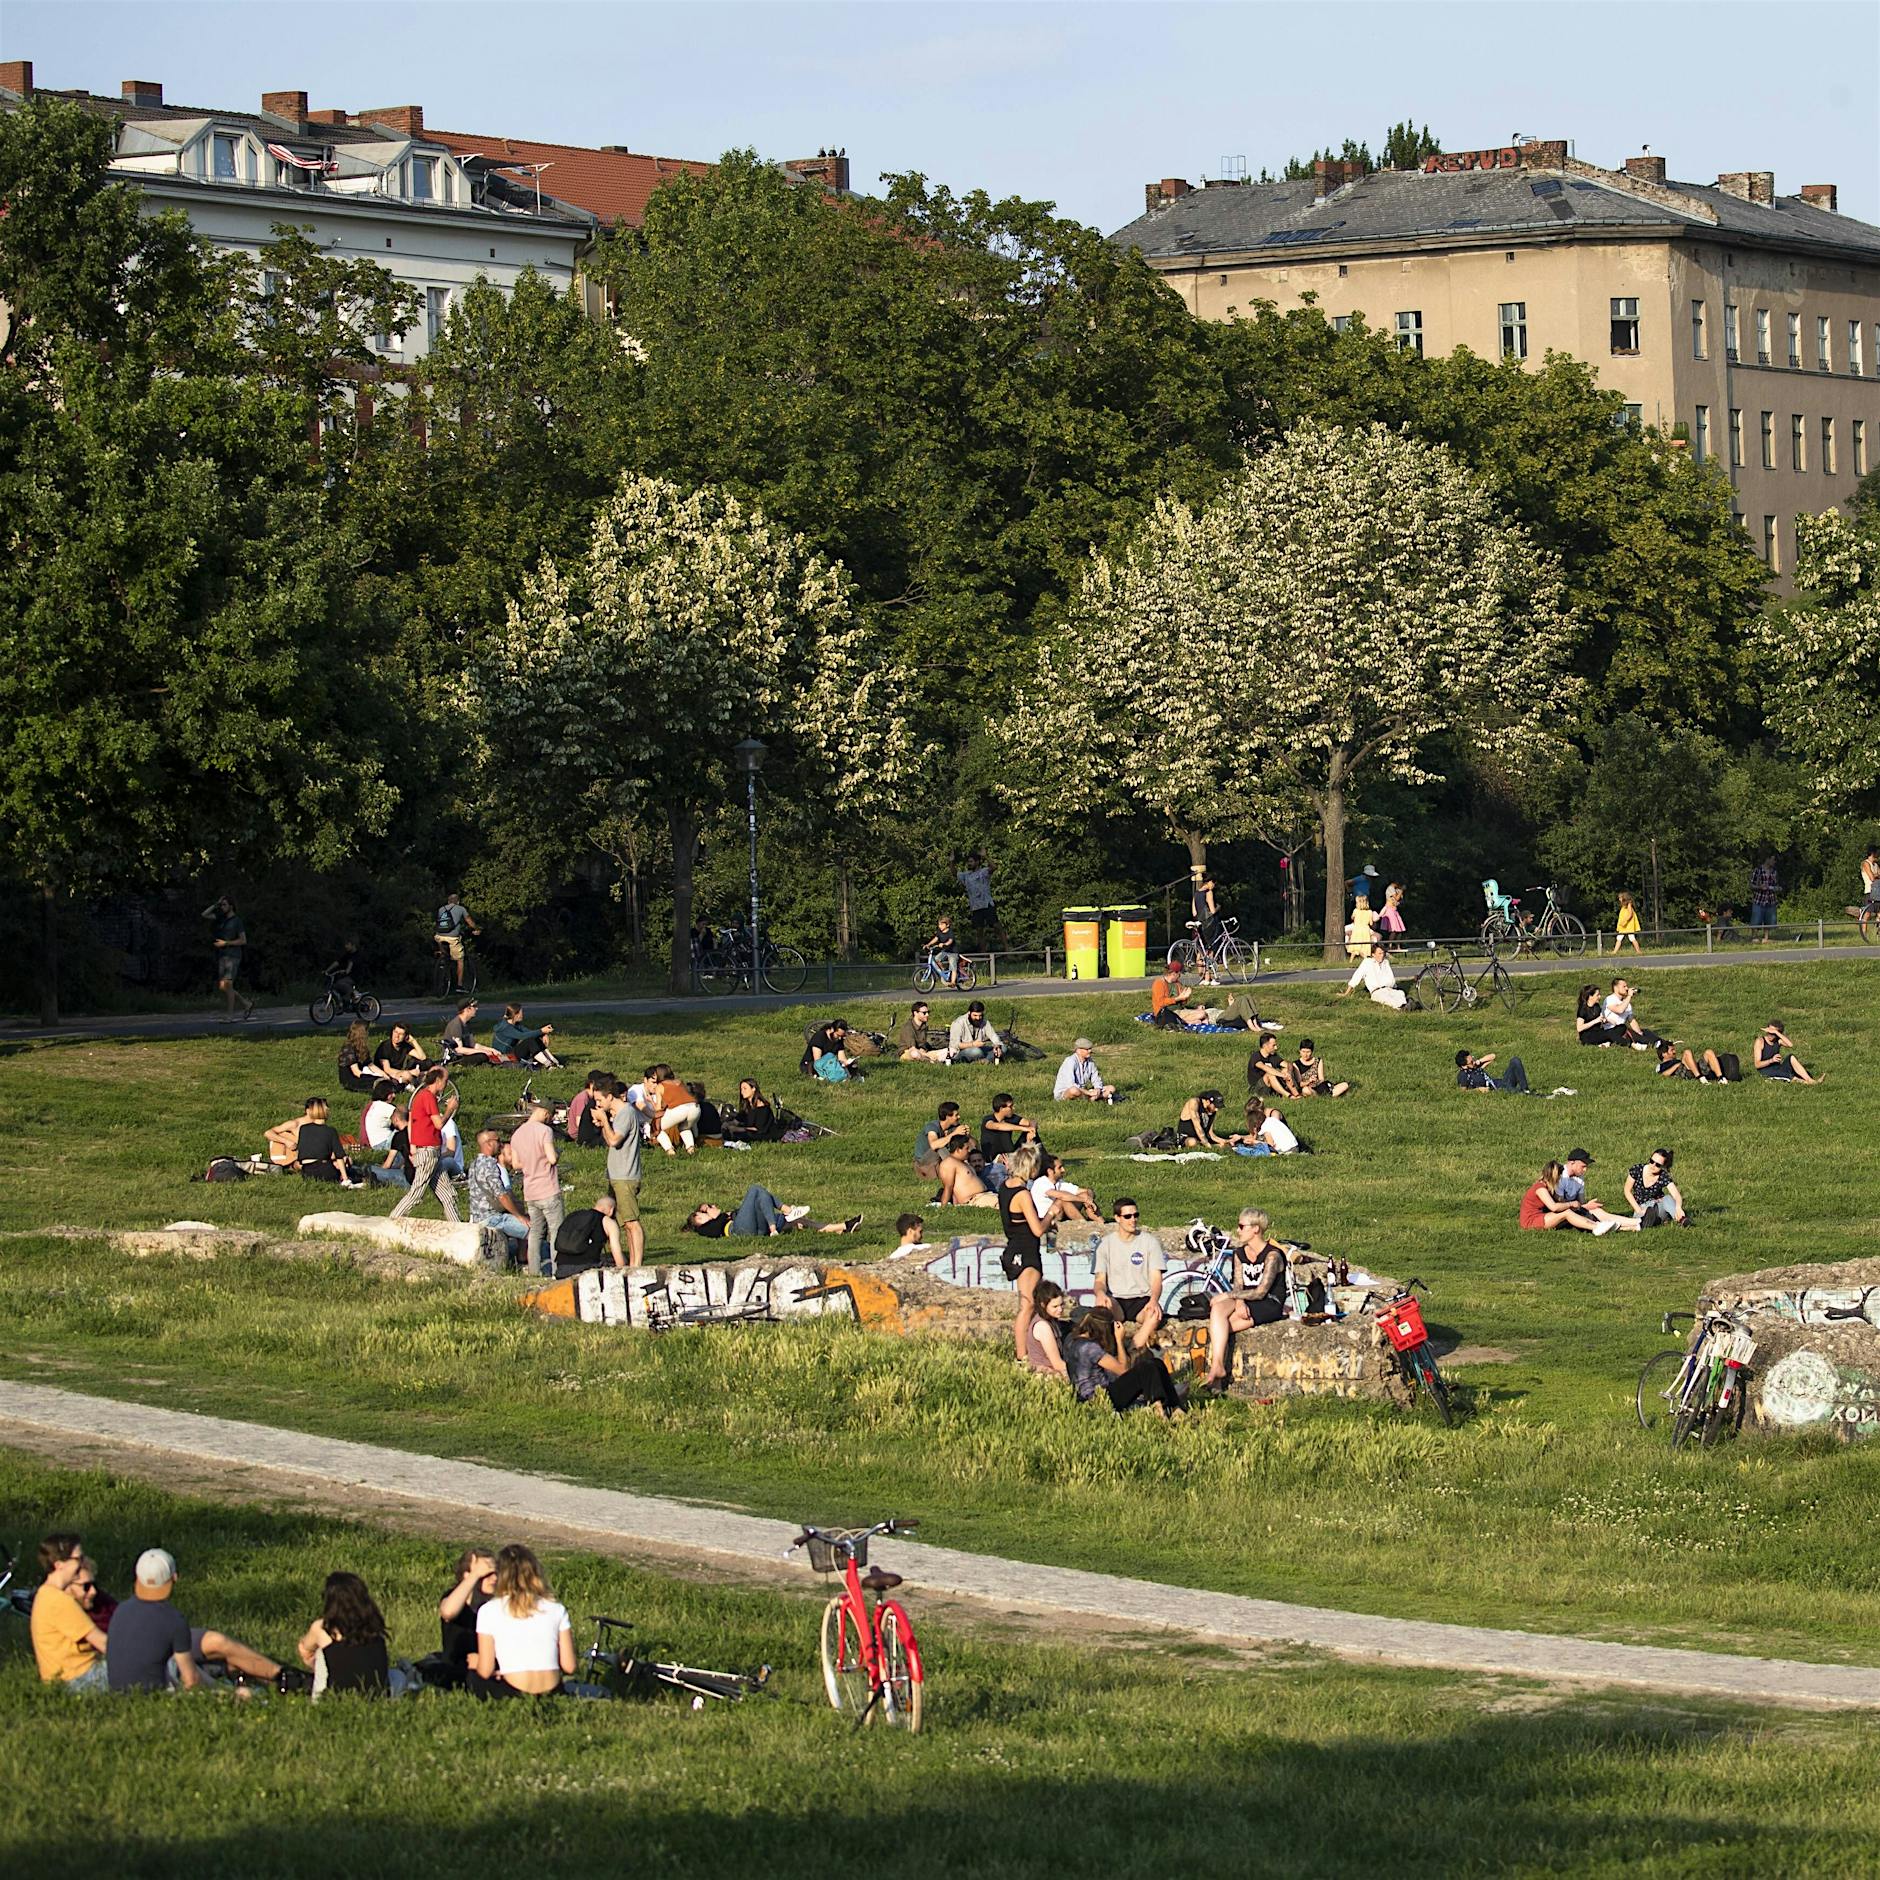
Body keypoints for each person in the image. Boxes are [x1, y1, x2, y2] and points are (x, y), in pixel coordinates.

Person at [107, 1547, 281, 1692]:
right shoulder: (173, 1620)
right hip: (156, 1694)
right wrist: (227, 1695)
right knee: (240, 1691)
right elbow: (191, 1680)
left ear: (138, 1579)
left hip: (118, 1690)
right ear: (174, 1578)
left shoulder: (121, 1610)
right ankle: (281, 1681)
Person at [1201, 1209, 1291, 1392]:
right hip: (1245, 1299)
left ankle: (1216, 1375)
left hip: (1268, 1302)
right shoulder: (1239, 1253)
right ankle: (1218, 1369)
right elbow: (1238, 1286)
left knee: (1222, 1328)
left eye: (1242, 1226)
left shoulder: (1272, 1255)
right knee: (1218, 1310)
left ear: (1256, 1229)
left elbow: (1260, 1292)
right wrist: (1239, 1301)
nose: (1238, 1230)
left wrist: (1230, 1296)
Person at [471, 1543, 574, 1699]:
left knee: (473, 1678)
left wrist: (476, 1664)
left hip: (513, 1691)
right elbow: (569, 1666)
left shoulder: (488, 1610)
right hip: (552, 1691)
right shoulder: (557, 1609)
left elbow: (485, 1670)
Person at [1064, 1308, 1186, 1416]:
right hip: (1099, 1398)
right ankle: (1163, 1407)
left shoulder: (1074, 1342)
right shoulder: (1089, 1348)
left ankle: (1173, 1407)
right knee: (1147, 1367)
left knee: (1156, 1363)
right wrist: (1119, 1340)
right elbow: (1123, 1369)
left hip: (1095, 1395)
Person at [30, 1533, 110, 1693]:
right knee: (157, 1663)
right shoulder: (58, 1601)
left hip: (68, 1678)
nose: (82, 1563)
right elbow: (103, 1643)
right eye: (78, 1559)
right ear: (59, 1564)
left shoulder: (46, 1594)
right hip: (79, 1679)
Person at [296, 1571, 391, 1698]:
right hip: (378, 1695)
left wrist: (315, 1666)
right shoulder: (372, 1627)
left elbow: (304, 1649)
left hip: (332, 1697)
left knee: (321, 1653)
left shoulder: (322, 1629)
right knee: (397, 1674)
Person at [1001, 1143, 1056, 1361]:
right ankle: (1022, 1355)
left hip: (1013, 1247)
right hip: (1026, 1251)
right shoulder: (1023, 1194)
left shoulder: (1006, 1187)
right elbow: (1037, 1229)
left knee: (1027, 1304)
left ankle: (1025, 1352)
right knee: (1027, 1306)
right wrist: (1051, 1213)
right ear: (1031, 1168)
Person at [390, 1064, 462, 1224]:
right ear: (437, 1080)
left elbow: (415, 1124)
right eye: (445, 1080)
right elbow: (438, 1124)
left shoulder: (420, 1097)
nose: (446, 1084)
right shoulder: (428, 1097)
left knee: (448, 1194)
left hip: (431, 1153)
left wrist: (413, 1146)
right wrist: (450, 1109)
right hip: (428, 1152)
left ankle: (457, 1226)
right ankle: (393, 1219)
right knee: (417, 1192)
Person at [1091, 1201, 1165, 1353]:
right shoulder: (1105, 1244)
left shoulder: (1149, 1242)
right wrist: (1100, 1293)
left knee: (1155, 1315)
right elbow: (1099, 1280)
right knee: (1101, 1308)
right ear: (1117, 1218)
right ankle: (1109, 1351)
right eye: (1128, 1216)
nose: (1133, 1220)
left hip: (1142, 1299)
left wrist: (1154, 1300)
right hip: (1117, 1299)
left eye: (1136, 1215)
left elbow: (1156, 1279)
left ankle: (1133, 1349)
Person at [508, 1092, 563, 1276]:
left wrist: (530, 1161)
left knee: (535, 1233)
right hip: (548, 1188)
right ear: (547, 1114)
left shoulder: (517, 1134)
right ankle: (557, 1270)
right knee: (556, 1232)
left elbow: (515, 1164)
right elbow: (552, 1158)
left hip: (530, 1192)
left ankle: (533, 1271)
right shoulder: (544, 1131)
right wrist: (556, 1153)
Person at [596, 1082, 647, 1267]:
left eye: (600, 1100)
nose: (599, 1104)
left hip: (625, 1176)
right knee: (626, 1224)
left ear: (610, 1096)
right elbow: (610, 1138)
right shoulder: (620, 1115)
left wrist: (604, 1120)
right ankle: (633, 1264)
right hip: (618, 1175)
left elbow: (614, 1140)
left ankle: (637, 1265)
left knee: (632, 1223)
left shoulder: (625, 1113)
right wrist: (604, 1123)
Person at [682, 1187, 862, 1236]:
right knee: (755, 1190)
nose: (714, 1206)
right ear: (699, 1217)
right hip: (738, 1231)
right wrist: (717, 1217)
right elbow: (714, 1230)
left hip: (757, 1229)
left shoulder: (725, 1215)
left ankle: (843, 1227)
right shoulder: (706, 1229)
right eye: (708, 1208)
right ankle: (781, 1218)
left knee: (800, 1221)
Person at [468, 1127, 530, 1262]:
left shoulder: (474, 1164)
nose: (501, 1144)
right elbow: (501, 1195)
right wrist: (519, 1216)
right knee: (534, 1230)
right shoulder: (490, 1165)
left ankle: (520, 1256)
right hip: (491, 1218)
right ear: (489, 1143)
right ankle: (530, 1263)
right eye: (498, 1141)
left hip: (476, 1216)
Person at [1520, 1161, 1635, 1233]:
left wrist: (1583, 1206)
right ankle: (1597, 1226)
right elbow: (1554, 1207)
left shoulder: (1548, 1188)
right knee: (1567, 1213)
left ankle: (1627, 1227)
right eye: (1560, 1177)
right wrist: (1571, 1204)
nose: (1561, 1179)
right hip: (1532, 1221)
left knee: (1572, 1215)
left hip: (1542, 1216)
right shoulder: (1540, 1188)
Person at [439, 1547, 497, 1677]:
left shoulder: (495, 1606)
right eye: (486, 1574)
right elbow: (448, 1612)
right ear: (467, 1575)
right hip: (454, 1669)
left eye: (495, 1573)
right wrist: (475, 1574)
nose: (494, 1578)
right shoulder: (453, 1597)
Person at [203, 895, 256, 1021]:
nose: (222, 907)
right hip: (223, 955)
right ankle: (246, 1004)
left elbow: (243, 940)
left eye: (224, 904)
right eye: (221, 905)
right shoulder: (221, 918)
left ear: (231, 906)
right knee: (223, 986)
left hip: (233, 955)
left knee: (228, 984)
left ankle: (230, 1016)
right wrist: (216, 904)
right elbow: (204, 914)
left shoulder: (237, 921)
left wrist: (226, 943)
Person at [296, 1095, 366, 1185]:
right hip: (325, 1170)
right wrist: (345, 1178)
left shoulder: (303, 1128)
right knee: (351, 1168)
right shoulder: (330, 1131)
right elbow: (339, 1156)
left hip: (307, 1172)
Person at [554, 1195, 626, 1271]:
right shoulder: (608, 1222)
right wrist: (625, 1267)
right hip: (586, 1269)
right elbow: (618, 1259)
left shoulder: (574, 1215)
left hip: (561, 1268)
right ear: (611, 1210)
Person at [1624, 1147, 1689, 1227]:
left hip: (1658, 1204)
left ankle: (1681, 1219)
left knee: (1667, 1198)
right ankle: (1651, 1220)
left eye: (1657, 1165)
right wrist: (1638, 1210)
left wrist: (1678, 1207)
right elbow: (1627, 1190)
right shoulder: (1637, 1169)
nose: (1653, 1165)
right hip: (1642, 1207)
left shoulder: (1663, 1176)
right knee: (1646, 1213)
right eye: (1651, 1161)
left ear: (1663, 1166)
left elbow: (1676, 1195)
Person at [979, 1093, 1039, 1177]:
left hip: (1010, 1153)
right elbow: (997, 1126)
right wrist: (1023, 1128)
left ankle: (1037, 1160)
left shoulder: (1011, 1118)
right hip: (993, 1157)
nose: (1013, 1108)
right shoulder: (988, 1119)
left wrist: (1032, 1130)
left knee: (1031, 1133)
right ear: (1001, 1108)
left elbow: (1031, 1122)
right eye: (1010, 1106)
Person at [1031, 1152, 1101, 1223]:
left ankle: (1101, 1222)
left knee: (1084, 1195)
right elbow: (1062, 1196)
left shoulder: (1059, 1183)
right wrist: (1084, 1200)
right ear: (1050, 1171)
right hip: (1046, 1217)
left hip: (1060, 1213)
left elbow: (1087, 1191)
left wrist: (1089, 1199)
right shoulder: (1041, 1182)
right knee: (1063, 1201)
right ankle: (1084, 1224)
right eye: (1060, 1168)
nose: (1063, 1170)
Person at [1023, 1279, 1071, 1378]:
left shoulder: (1052, 1320)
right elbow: (1057, 1363)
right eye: (1055, 1306)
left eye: (1062, 1305)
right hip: (1047, 1374)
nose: (1060, 1310)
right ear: (1043, 1305)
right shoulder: (1043, 1326)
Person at [1339, 940, 1407, 1010]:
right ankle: (1401, 1007)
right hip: (1377, 991)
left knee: (1400, 993)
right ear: (1373, 954)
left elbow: (1391, 978)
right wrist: (1346, 993)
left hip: (1389, 989)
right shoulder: (1367, 963)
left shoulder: (1386, 962)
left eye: (1383, 953)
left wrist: (1394, 988)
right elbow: (1357, 977)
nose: (1382, 955)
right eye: (1379, 953)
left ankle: (1406, 1005)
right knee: (1386, 998)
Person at [935, 1133, 999, 1208]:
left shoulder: (963, 1163)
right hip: (975, 1199)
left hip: (986, 1196)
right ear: (958, 1149)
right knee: (1006, 1203)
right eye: (967, 1148)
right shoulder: (949, 1162)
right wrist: (944, 1207)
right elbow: (948, 1187)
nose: (969, 1151)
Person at [1602, 979, 1665, 1051]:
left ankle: (1660, 1042)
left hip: (1622, 1029)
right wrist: (1629, 996)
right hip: (1612, 1029)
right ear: (1616, 988)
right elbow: (1619, 1010)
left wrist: (1639, 1033)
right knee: (1629, 1032)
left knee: (1646, 1031)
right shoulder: (1610, 999)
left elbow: (1632, 1021)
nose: (1626, 988)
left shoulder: (1627, 1004)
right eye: (1624, 986)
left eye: (1627, 986)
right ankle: (1652, 1043)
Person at [435, 890, 480, 991]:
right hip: (452, 938)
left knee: (445, 954)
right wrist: (476, 928)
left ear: (448, 901)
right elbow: (469, 920)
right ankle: (459, 985)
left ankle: (443, 958)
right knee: (460, 960)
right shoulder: (461, 908)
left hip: (438, 937)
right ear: (458, 902)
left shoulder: (441, 909)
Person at [491, 1004, 560, 1068]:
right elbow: (522, 1036)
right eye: (521, 1013)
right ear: (516, 1014)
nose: (522, 1015)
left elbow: (529, 1032)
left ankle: (554, 1062)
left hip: (512, 1052)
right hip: (504, 1056)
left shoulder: (516, 1024)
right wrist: (541, 1031)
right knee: (530, 1041)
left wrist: (542, 1034)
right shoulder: (506, 1027)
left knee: (534, 1038)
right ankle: (548, 1065)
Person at [649, 1071, 702, 1155]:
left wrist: (651, 1101)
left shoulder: (660, 1086)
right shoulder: (679, 1082)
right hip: (695, 1108)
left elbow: (658, 1109)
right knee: (684, 1127)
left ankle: (670, 1150)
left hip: (679, 1110)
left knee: (657, 1128)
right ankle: (691, 1149)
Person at [440, 998, 504, 1067]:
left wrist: (491, 1050)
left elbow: (473, 1044)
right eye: (474, 1006)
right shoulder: (456, 1025)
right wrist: (483, 1052)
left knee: (486, 1055)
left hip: (465, 1054)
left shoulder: (467, 1023)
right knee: (483, 1056)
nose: (476, 1008)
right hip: (456, 1058)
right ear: (467, 1009)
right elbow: (459, 1049)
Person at [1179, 1089, 1247, 1149]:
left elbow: (1210, 1133)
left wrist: (1225, 1141)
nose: (1216, 1109)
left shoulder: (1212, 1110)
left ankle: (1208, 1146)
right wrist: (1206, 1143)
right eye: (1215, 1106)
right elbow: (1197, 1126)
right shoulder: (1194, 1103)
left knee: (1224, 1144)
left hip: (1202, 1138)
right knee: (1192, 1142)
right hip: (1186, 1137)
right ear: (1208, 1102)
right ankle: (1208, 1146)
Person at [1755, 1023, 1822, 1084]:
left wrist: (1776, 1032)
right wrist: (1771, 1060)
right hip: (1766, 1071)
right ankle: (1810, 1083)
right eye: (1769, 1031)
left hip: (1778, 1067)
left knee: (1791, 1057)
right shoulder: (1760, 1041)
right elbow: (1757, 1065)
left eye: (1773, 1033)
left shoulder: (1778, 1041)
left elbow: (1790, 1045)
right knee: (1789, 1075)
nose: (1770, 1034)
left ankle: (1809, 1079)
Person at [723, 1078, 783, 1144]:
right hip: (749, 1132)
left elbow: (759, 1129)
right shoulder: (747, 1106)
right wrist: (727, 1124)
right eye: (741, 1089)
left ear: (753, 1089)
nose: (742, 1092)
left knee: (739, 1134)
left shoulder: (763, 1108)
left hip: (763, 1135)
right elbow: (737, 1121)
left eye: (745, 1089)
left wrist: (737, 1129)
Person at [915, 1101, 964, 1181]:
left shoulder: (953, 1127)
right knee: (940, 1147)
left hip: (939, 1159)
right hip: (924, 1161)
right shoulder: (932, 1126)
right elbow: (934, 1145)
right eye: (956, 1115)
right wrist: (954, 1133)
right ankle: (954, 1168)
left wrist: (966, 1135)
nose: (959, 1117)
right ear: (948, 1117)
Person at [1053, 1037, 1114, 1102]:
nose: (1090, 1051)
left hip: (1082, 1091)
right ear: (1078, 1050)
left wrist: (1097, 1089)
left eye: (1090, 1049)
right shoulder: (1070, 1061)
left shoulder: (1090, 1062)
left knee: (1111, 1088)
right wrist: (1089, 1093)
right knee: (1073, 1090)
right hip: (1065, 1092)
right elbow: (1071, 1085)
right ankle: (1091, 1099)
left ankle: (1089, 1099)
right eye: (1087, 1049)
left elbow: (1096, 1079)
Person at [264, 1100, 318, 1170]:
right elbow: (268, 1133)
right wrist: (286, 1142)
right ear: (308, 1110)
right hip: (294, 1159)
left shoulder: (321, 1126)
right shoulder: (295, 1124)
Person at [373, 1021, 429, 1087]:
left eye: (401, 1034)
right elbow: (387, 1069)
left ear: (405, 1036)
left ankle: (413, 1085)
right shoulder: (385, 1046)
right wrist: (410, 1072)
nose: (397, 1036)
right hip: (385, 1075)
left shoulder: (404, 1046)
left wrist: (413, 1041)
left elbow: (422, 1057)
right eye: (395, 1032)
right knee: (407, 1075)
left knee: (426, 1073)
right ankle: (416, 1087)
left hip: (398, 1073)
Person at [1248, 1033, 1300, 1101]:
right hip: (1258, 1088)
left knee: (1285, 1070)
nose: (1276, 1048)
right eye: (1273, 1045)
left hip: (1272, 1087)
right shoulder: (1256, 1056)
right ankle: (1289, 1096)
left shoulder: (1273, 1056)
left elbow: (1289, 1064)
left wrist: (1289, 1072)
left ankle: (1297, 1095)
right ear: (1265, 1045)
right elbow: (1265, 1068)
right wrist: (1282, 1075)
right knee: (1270, 1074)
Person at [1455, 1049, 1530, 1093]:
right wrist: (1478, 1089)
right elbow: (1463, 1092)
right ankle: (1527, 1093)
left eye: (1472, 1059)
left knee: (1515, 1060)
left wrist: (1479, 1061)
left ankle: (1525, 1089)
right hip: (1498, 1089)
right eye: (1471, 1062)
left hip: (1501, 1082)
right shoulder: (1463, 1075)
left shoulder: (1475, 1066)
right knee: (1517, 1092)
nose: (1473, 1062)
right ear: (1464, 1065)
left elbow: (1493, 1056)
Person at [919, 914, 962, 989]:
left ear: (947, 925)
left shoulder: (950, 932)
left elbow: (950, 941)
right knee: (936, 959)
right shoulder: (939, 932)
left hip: (953, 952)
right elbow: (936, 939)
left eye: (942, 924)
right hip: (945, 951)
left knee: (952, 965)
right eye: (939, 924)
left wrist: (944, 944)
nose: (940, 926)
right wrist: (928, 944)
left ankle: (953, 982)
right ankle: (944, 971)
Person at [1656, 1039, 1729, 1083]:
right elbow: (1663, 1075)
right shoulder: (1661, 1065)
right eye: (1672, 1050)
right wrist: (1676, 1065)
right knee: (1687, 1052)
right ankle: (1700, 1078)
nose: (1675, 1051)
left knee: (1709, 1052)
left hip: (1694, 1068)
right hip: (1683, 1072)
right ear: (1664, 1054)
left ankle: (1721, 1078)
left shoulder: (1677, 1060)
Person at [337, 1019, 377, 1098]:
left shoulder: (361, 1048)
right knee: (376, 1083)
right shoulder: (348, 1048)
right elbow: (356, 1072)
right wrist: (372, 1077)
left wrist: (385, 1075)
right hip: (351, 1079)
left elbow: (370, 1065)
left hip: (360, 1075)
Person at [1748, 857, 1779, 940]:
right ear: (1767, 859)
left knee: (1769, 919)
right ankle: (1754, 937)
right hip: (1759, 899)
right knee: (1756, 919)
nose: (1774, 862)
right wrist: (1759, 887)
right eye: (1773, 859)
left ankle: (1766, 937)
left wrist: (1776, 888)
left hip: (1770, 899)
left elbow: (1776, 884)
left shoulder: (1774, 872)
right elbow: (1751, 885)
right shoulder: (1758, 870)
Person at [1345, 892, 1376, 959]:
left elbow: (1352, 918)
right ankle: (1365, 958)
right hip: (1365, 930)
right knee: (1364, 945)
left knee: (1355, 945)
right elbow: (1371, 923)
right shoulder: (1369, 912)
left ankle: (1351, 960)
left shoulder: (1355, 911)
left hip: (1356, 929)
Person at [1615, 889, 1642, 954]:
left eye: (1620, 898)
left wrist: (1625, 921)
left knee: (1631, 938)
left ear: (1624, 898)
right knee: (1619, 938)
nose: (1619, 899)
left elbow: (1630, 914)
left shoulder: (1629, 905)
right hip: (1624, 926)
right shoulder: (1623, 906)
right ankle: (1615, 951)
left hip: (1628, 925)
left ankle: (1638, 951)